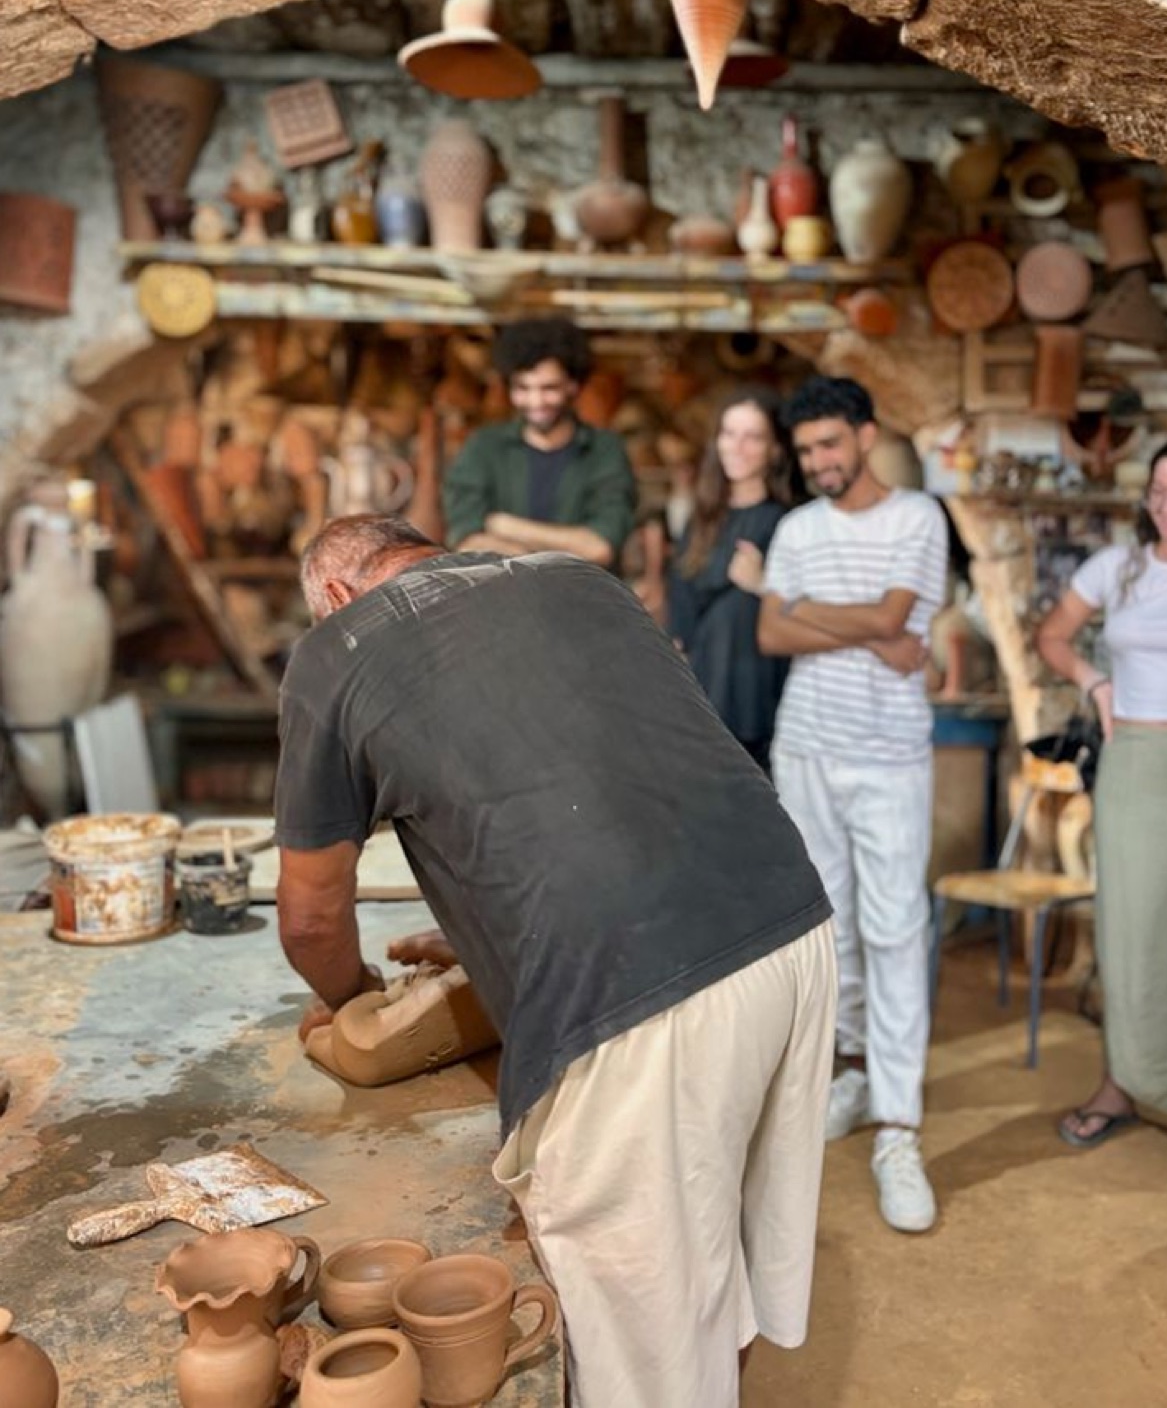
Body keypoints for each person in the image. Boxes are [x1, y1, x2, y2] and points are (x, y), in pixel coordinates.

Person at [274, 513, 837, 1408]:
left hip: (643, 995)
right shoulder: (576, 579)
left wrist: (355, 1001)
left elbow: (308, 917)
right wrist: (483, 930)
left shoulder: (337, 648)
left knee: (642, 1340)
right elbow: (592, 781)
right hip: (791, 928)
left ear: (336, 598)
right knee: (711, 1257)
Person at [758, 375, 947, 1234]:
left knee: (897, 925)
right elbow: (772, 634)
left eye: (830, 445)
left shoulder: (918, 518)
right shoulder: (797, 527)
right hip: (807, 747)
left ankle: (898, 1131)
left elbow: (898, 612)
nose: (820, 463)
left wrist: (807, 608)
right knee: (830, 929)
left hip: (890, 755)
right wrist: (868, 627)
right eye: (806, 453)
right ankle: (855, 1070)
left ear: (865, 436)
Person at [1036, 431, 1167, 1172]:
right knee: (1129, 932)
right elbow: (1054, 636)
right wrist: (1097, 683)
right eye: (1160, 491)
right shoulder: (1120, 568)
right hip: (1135, 768)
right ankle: (1121, 1086)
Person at [442, 315, 636, 569]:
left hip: (583, 603)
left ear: (573, 386)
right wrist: (561, 550)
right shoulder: (483, 447)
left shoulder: (605, 450)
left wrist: (505, 526)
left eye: (549, 388)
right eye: (523, 388)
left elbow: (600, 547)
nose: (536, 402)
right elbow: (467, 541)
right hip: (501, 602)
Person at [667, 387, 796, 771]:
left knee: (736, 607)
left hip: (756, 702)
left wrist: (763, 583)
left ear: (774, 449)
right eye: (729, 433)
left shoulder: (787, 521)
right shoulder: (700, 519)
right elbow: (681, 617)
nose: (737, 446)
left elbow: (807, 611)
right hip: (702, 695)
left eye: (753, 436)